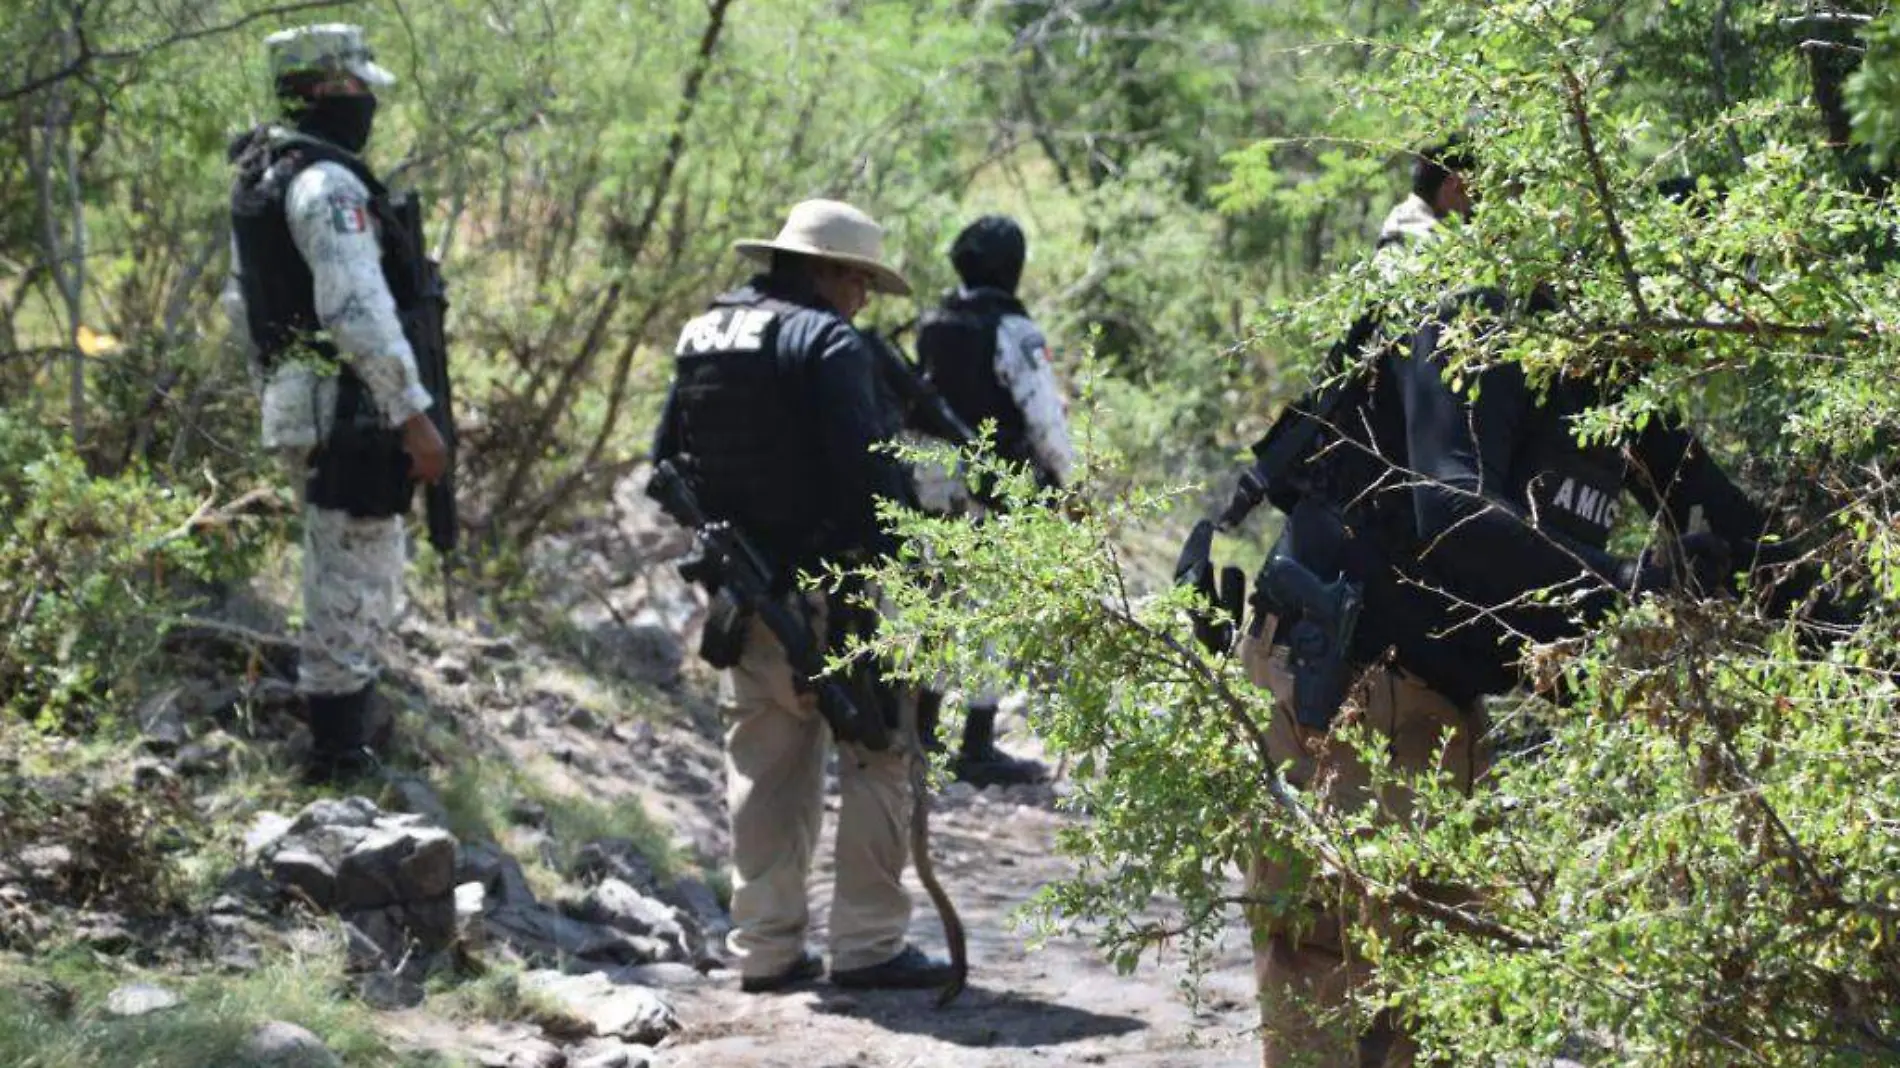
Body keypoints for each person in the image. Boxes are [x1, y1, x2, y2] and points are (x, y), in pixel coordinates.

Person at [1234, 141, 1789, 1067]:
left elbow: (1730, 525)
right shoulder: (1469, 319)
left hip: (1441, 702)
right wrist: (1631, 587)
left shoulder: (1608, 374)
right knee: (1331, 997)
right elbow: (1446, 512)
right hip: (1343, 683)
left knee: (1445, 1009)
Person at [651, 199, 954, 994]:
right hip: (835, 589)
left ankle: (765, 947)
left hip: (745, 599)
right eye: (861, 283)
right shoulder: (826, 341)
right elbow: (866, 474)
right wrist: (906, 566)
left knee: (764, 765)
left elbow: (664, 460)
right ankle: (866, 945)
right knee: (881, 753)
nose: (862, 302)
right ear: (833, 272)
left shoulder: (704, 333)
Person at [223, 24, 448, 783]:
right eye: (357, 88)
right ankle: (337, 759)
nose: (368, 104)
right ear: (321, 91)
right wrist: (412, 414)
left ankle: (345, 738)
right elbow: (357, 311)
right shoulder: (326, 185)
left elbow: (242, 304)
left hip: (309, 402)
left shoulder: (266, 176)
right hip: (351, 410)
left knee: (343, 565)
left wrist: (280, 391)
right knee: (352, 577)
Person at [910, 214, 1076, 787]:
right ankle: (976, 743)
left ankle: (921, 733)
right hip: (995, 486)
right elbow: (1044, 416)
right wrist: (1067, 480)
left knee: (935, 604)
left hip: (930, 483)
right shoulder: (1013, 329)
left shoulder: (933, 321)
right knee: (991, 608)